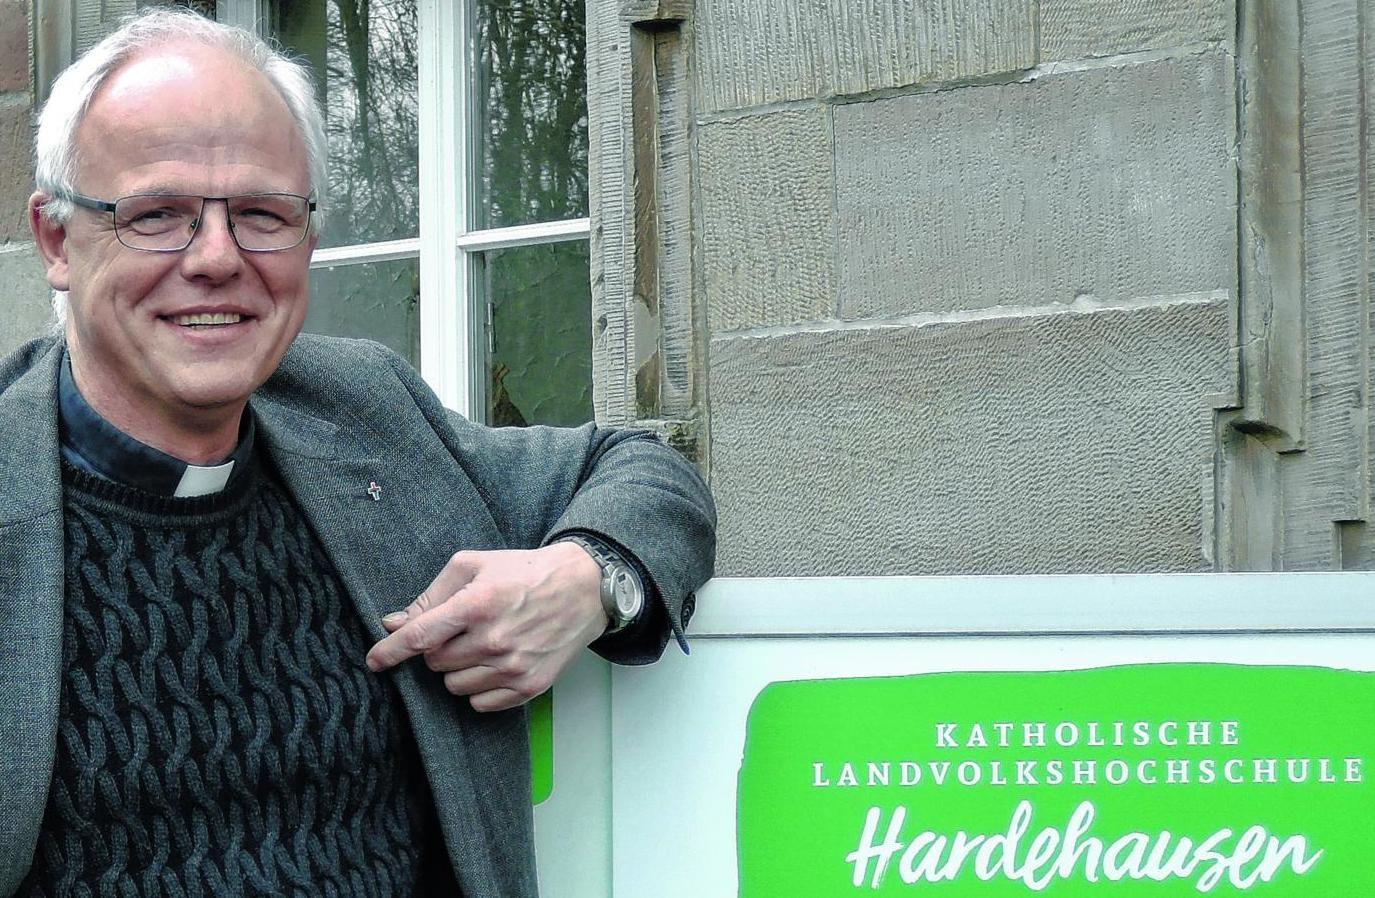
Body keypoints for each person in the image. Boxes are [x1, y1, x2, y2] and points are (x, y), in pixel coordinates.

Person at [0, 9, 714, 898]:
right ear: (57, 240)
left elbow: (647, 474)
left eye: (261, 213)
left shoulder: (363, 414)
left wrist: (589, 579)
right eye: (157, 215)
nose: (217, 258)